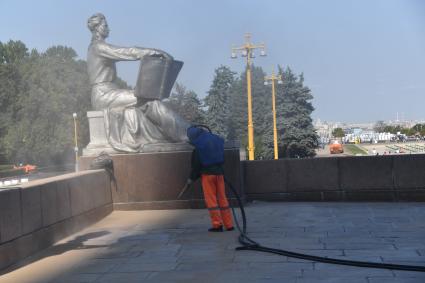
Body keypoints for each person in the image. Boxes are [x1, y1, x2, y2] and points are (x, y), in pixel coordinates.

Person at [86, 13, 189, 152]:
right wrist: (154, 52)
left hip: (109, 93)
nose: (108, 28)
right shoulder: (99, 47)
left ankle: (178, 133)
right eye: (105, 25)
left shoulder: (95, 47)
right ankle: (188, 134)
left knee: (148, 98)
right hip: (104, 95)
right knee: (148, 99)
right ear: (97, 28)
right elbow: (128, 52)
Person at [186, 126, 234, 232]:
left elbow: (196, 166)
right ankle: (229, 224)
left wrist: (191, 178)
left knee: (211, 201)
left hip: (208, 176)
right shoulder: (214, 140)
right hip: (219, 174)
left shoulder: (199, 147)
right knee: (223, 198)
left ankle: (217, 225)